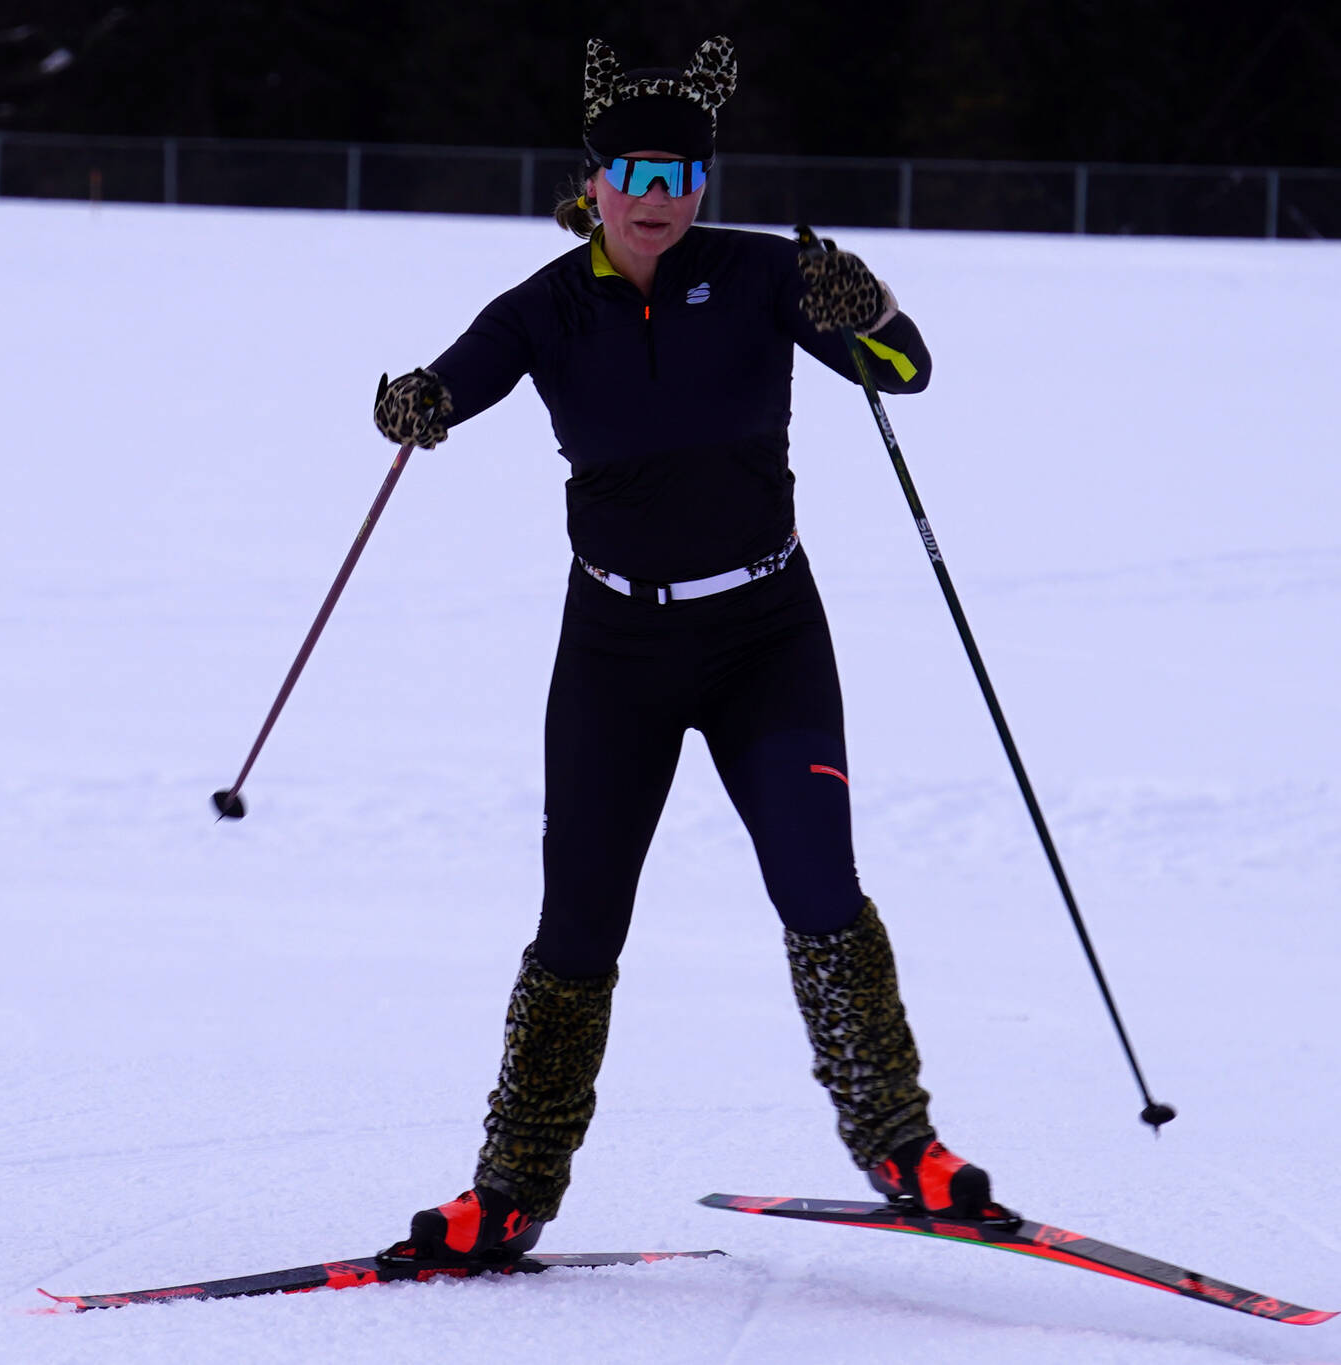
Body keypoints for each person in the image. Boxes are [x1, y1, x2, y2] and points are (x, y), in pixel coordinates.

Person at [373, 35, 1000, 1267]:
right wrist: (414, 404)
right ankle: (507, 1193)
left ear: (702, 185)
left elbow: (905, 371)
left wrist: (864, 305)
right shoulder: (542, 308)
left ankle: (899, 1149)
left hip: (766, 635)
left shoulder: (763, 277)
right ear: (593, 181)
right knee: (577, 929)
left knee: (821, 888)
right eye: (634, 174)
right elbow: (448, 387)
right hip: (614, 649)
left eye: (680, 174)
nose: (656, 198)